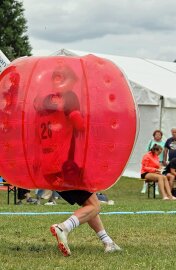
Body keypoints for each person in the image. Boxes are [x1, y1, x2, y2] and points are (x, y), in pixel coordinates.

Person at [36, 65, 121, 256]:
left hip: (49, 165)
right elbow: (79, 124)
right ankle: (63, 228)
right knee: (94, 205)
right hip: (66, 163)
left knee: (88, 203)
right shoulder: (68, 97)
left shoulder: (43, 101)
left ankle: (108, 242)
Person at [141, 130, 165, 195]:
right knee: (151, 174)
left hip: (159, 160)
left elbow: (164, 152)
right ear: (154, 135)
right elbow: (147, 150)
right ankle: (144, 187)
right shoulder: (151, 142)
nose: (158, 136)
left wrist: (163, 161)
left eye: (159, 134)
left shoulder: (163, 143)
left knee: (158, 174)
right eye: (156, 134)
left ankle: (156, 189)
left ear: (161, 136)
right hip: (150, 161)